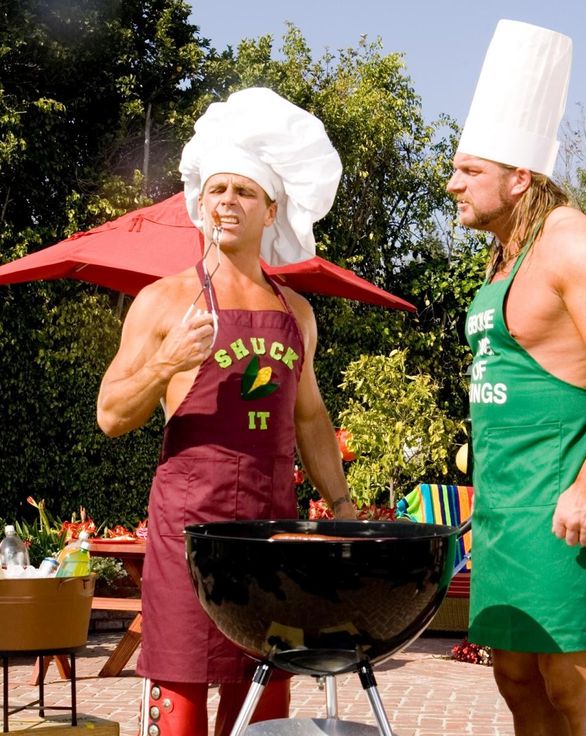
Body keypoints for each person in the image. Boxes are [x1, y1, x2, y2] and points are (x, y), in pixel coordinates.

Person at [97, 87, 357, 736]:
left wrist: (344, 510)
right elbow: (110, 414)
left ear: (272, 209)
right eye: (217, 190)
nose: (228, 203)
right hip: (188, 524)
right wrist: (165, 362)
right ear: (199, 203)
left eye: (244, 192)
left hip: (271, 521)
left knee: (263, 698)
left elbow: (310, 420)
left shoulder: (296, 312)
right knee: (181, 694)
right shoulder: (164, 302)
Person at [446, 20, 586, 736]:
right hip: (507, 505)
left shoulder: (577, 244)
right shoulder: (504, 257)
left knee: (577, 684)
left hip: (568, 497)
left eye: (468, 170)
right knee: (512, 674)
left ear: (520, 175)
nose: (452, 184)